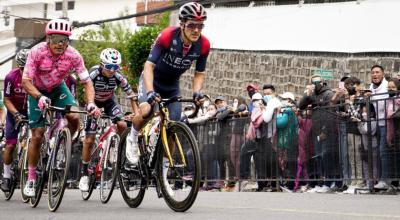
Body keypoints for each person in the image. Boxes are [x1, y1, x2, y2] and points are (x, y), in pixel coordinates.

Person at [126, 2, 210, 195]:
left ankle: (163, 176)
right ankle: (132, 137)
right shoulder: (167, 37)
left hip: (172, 85)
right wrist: (149, 92)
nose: (196, 30)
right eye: (192, 25)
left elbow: (199, 72)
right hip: (152, 80)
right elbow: (149, 66)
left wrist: (197, 92)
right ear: (182, 24)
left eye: (200, 25)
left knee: (173, 125)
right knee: (146, 111)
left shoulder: (203, 45)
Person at [21, 18, 100, 197]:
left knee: (73, 116)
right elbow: (25, 81)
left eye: (64, 40)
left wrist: (91, 103)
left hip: (57, 88)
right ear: (48, 38)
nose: (59, 44)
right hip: (37, 90)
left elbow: (87, 82)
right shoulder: (37, 52)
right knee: (38, 134)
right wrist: (39, 97)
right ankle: (32, 178)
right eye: (55, 39)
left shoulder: (74, 55)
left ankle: (65, 143)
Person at [78, 48, 137, 192]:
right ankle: (84, 173)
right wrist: (91, 106)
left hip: (109, 101)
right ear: (101, 64)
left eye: (115, 67)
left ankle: (122, 152)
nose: (112, 70)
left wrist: (136, 112)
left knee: (122, 123)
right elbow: (86, 92)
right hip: (93, 101)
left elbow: (131, 94)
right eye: (109, 67)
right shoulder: (93, 74)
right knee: (90, 139)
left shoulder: (118, 76)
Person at [0, 49, 29, 192]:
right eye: (23, 68)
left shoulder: (38, 77)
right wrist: (16, 114)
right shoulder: (11, 77)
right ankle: (6, 175)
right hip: (14, 112)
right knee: (10, 145)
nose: (26, 71)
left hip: (31, 112)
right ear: (19, 66)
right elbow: (6, 99)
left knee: (38, 138)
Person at [368, 65, 390, 189]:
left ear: (383, 74)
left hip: (387, 122)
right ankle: (380, 180)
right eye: (373, 73)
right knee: (378, 153)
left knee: (384, 152)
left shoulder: (387, 86)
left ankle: (385, 180)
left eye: (377, 72)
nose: (375, 75)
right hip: (377, 123)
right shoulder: (371, 87)